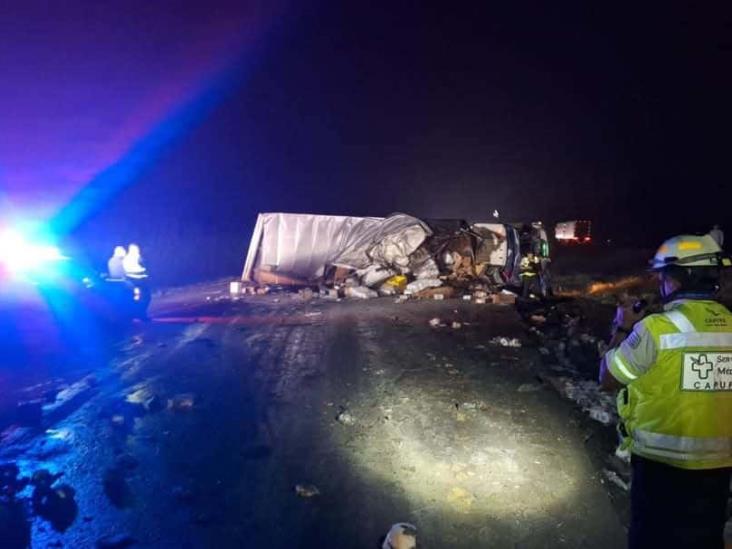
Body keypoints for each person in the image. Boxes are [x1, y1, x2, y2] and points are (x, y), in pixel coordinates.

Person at [598, 234, 732, 548]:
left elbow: (608, 378)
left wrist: (623, 327)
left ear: (673, 279)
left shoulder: (657, 329)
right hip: (720, 467)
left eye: (661, 276)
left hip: (661, 467)